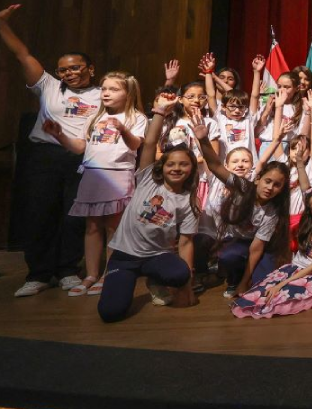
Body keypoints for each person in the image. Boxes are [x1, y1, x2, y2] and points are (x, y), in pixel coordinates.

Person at [0, 3, 99, 296]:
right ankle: (39, 274)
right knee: (40, 213)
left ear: (90, 69)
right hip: (44, 157)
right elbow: (23, 54)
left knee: (73, 216)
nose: (69, 73)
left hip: (82, 157)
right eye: (63, 69)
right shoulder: (48, 86)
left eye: (76, 67)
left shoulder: (102, 93)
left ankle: (68, 270)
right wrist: (2, 24)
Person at [97, 93, 201, 322]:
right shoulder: (147, 180)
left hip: (156, 256)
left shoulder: (188, 201)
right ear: (162, 167)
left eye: (184, 164)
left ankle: (155, 279)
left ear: (192, 169)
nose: (177, 168)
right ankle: (135, 279)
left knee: (179, 272)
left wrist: (187, 285)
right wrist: (160, 112)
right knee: (110, 313)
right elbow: (150, 144)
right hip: (124, 257)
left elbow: (185, 242)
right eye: (171, 164)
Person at [42, 71, 146, 297]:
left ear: (128, 93)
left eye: (114, 89)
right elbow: (80, 147)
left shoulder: (136, 117)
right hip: (91, 175)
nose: (106, 93)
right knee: (92, 226)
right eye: (104, 88)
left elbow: (135, 144)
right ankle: (91, 274)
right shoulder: (93, 118)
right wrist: (60, 136)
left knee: (113, 228)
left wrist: (123, 129)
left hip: (117, 174)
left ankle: (110, 272)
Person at [230, 187, 312, 318]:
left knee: (287, 291)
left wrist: (282, 284)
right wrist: (281, 280)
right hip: (294, 269)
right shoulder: (310, 225)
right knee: (264, 291)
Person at [194, 120, 292, 298]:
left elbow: (256, 247)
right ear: (257, 179)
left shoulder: (272, 211)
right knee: (228, 256)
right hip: (236, 241)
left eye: (277, 185)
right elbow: (215, 166)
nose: (270, 187)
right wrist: (203, 140)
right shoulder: (243, 187)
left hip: (261, 247)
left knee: (264, 285)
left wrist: (246, 283)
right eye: (268, 181)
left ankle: (246, 277)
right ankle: (234, 278)